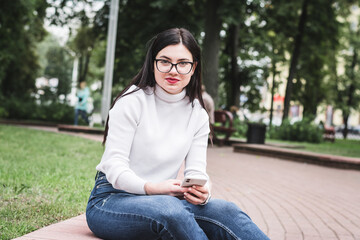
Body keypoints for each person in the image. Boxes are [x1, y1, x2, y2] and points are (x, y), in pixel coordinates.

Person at [86, 28, 269, 240]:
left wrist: (203, 191)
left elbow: (197, 171)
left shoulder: (198, 114)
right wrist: (152, 187)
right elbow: (114, 167)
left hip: (167, 199)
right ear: (152, 63)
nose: (174, 70)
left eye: (183, 63)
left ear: (193, 68)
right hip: (111, 200)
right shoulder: (132, 102)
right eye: (165, 61)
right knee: (170, 210)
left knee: (226, 210)